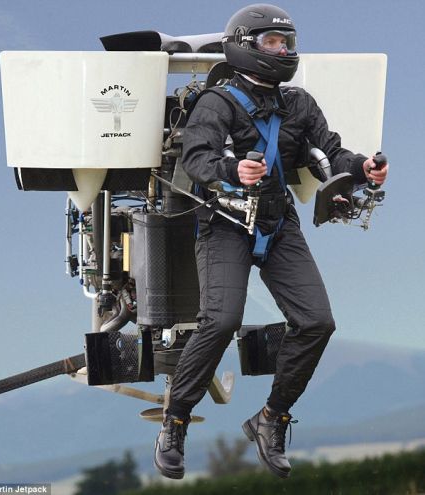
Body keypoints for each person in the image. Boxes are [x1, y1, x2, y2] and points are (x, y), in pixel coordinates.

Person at [154, 3, 389, 480]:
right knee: (221, 321)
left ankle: (271, 418)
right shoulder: (215, 103)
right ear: (245, 45)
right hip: (224, 221)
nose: (282, 51)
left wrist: (363, 167)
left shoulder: (299, 103)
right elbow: (196, 159)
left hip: (278, 221)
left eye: (287, 43)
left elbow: (331, 151)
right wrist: (232, 170)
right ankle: (174, 422)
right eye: (272, 43)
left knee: (317, 322)